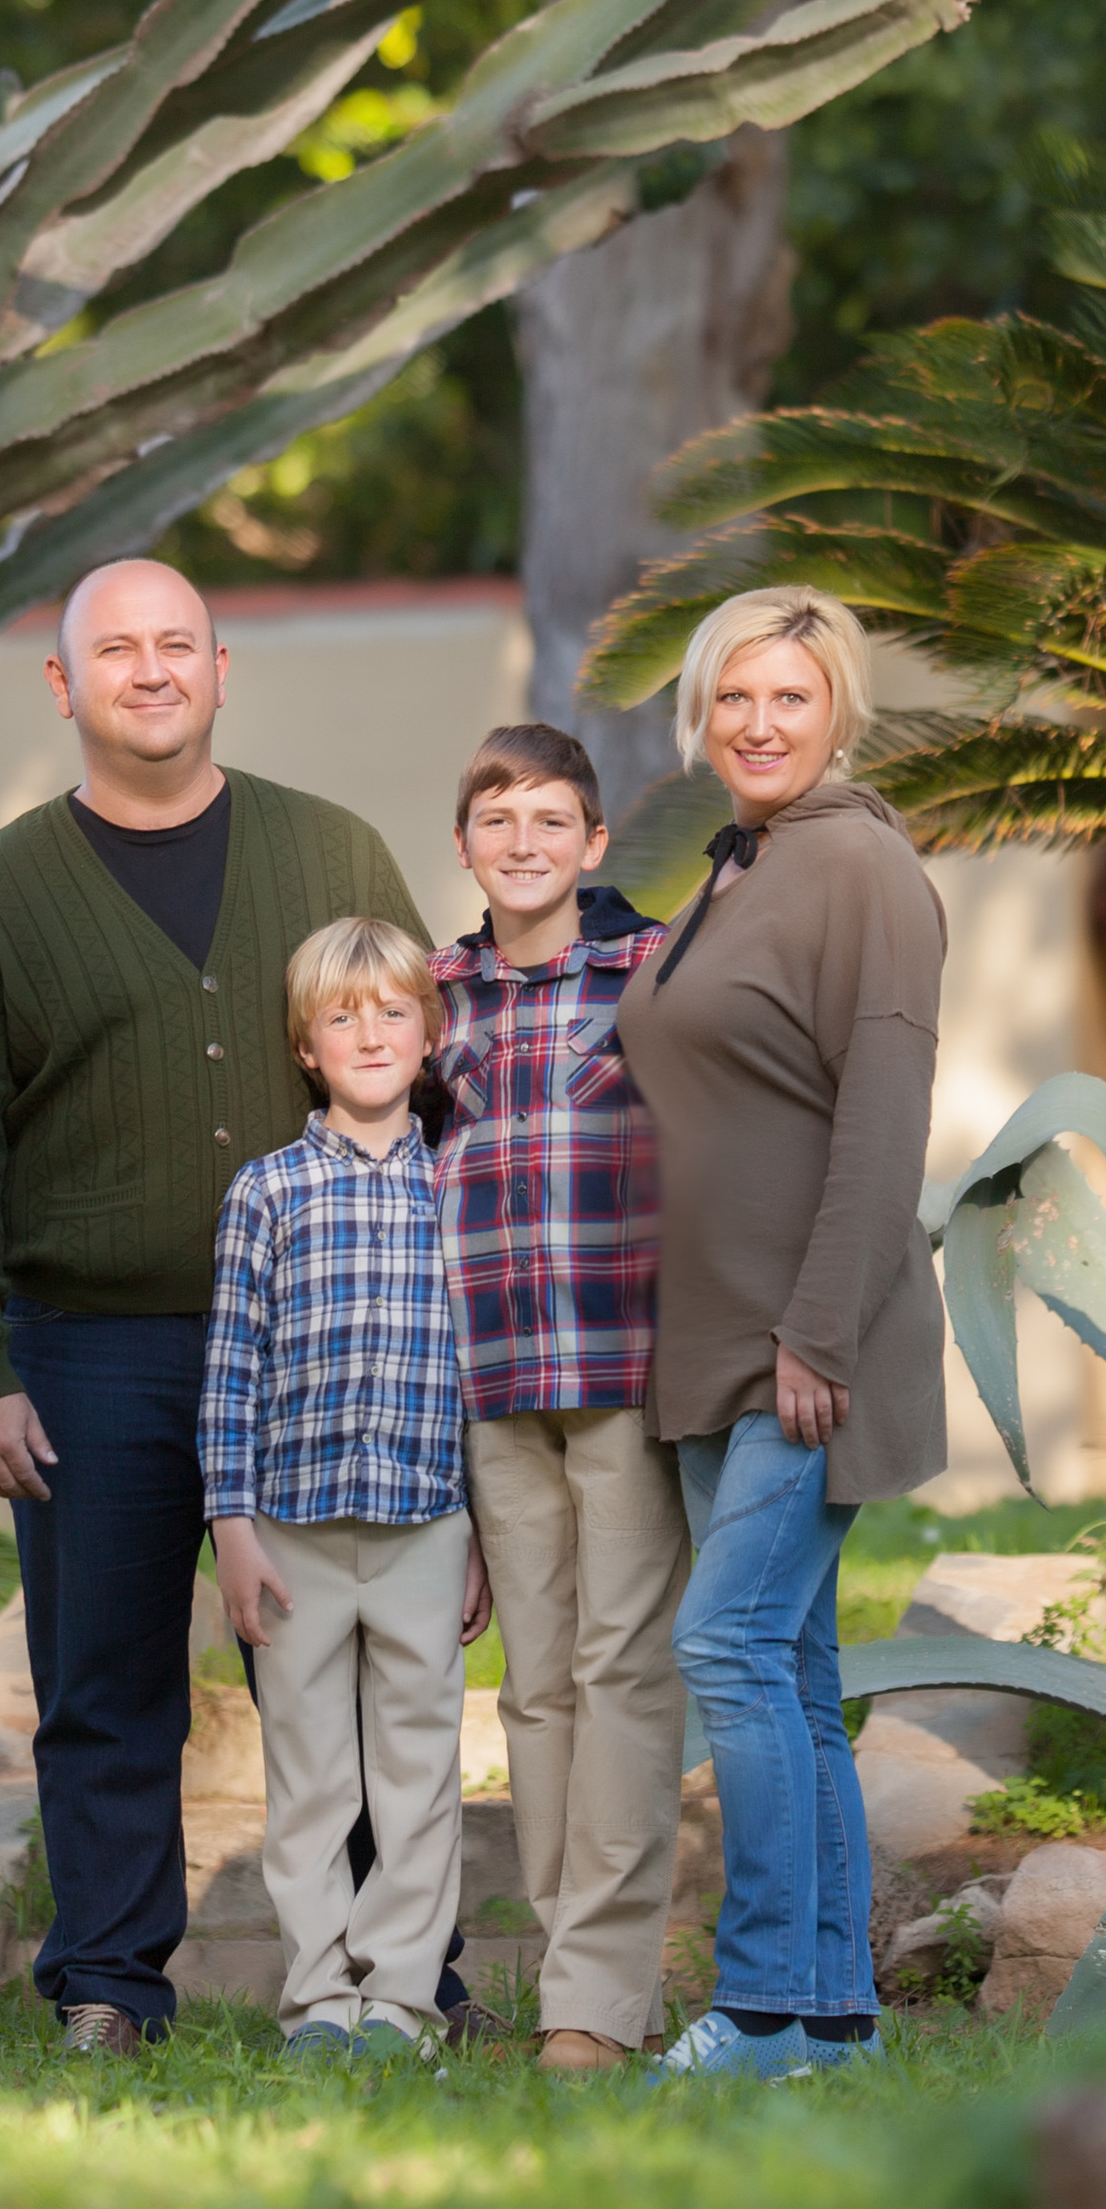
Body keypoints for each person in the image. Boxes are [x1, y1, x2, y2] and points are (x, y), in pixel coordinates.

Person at [0, 557, 428, 2060]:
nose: (149, 671)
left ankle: (396, 1976)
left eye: (176, 644)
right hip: (88, 1352)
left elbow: (426, 1085)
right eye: (114, 650)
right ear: (62, 688)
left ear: (220, 669)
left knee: (337, 1671)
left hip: (322, 1347)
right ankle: (110, 1983)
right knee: (106, 1683)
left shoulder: (335, 855)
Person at [614, 587, 946, 2084]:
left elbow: (883, 1128)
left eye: (788, 700)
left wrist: (816, 1331)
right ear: (700, 712)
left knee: (727, 1643)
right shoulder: (733, 873)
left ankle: (753, 2006)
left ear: (840, 714)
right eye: (732, 698)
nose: (756, 724)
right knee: (794, 1672)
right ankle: (827, 2015)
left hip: (808, 1344)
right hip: (714, 1338)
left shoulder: (863, 868)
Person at [431, 722, 688, 2075]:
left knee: (623, 1672)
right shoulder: (435, 998)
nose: (523, 844)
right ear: (465, 845)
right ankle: (567, 1947)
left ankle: (598, 1997)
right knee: (534, 1687)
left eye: (550, 822)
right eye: (497, 821)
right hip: (492, 1385)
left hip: (625, 1376)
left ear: (592, 846)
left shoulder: (649, 970)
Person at [202, 919, 491, 2063]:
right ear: (306, 1048)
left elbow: (484, 1374)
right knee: (313, 1780)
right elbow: (230, 1368)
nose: (368, 1032)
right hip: (292, 1531)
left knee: (418, 1776)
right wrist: (232, 1525)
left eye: (391, 1011)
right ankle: (320, 2000)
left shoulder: (459, 1188)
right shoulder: (264, 1193)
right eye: (341, 1015)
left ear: (429, 1036)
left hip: (427, 1522)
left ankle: (405, 2006)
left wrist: (479, 1531)